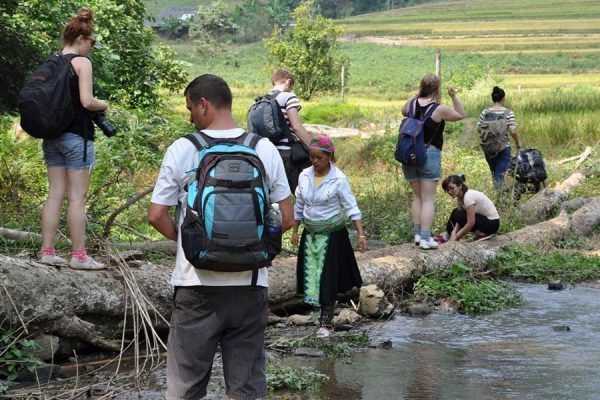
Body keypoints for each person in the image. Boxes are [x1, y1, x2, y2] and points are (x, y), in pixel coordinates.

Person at [148, 74, 294, 400]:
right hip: (250, 288)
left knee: (185, 389)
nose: (189, 116)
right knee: (247, 390)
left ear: (203, 105)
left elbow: (156, 215)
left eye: (189, 108)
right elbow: (287, 217)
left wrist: (194, 244)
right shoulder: (263, 148)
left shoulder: (184, 148)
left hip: (196, 286)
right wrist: (251, 244)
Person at [39, 8, 108, 270]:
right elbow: (87, 101)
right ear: (81, 38)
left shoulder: (52, 62)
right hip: (77, 137)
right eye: (92, 42)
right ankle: (79, 256)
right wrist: (105, 104)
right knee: (77, 197)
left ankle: (47, 251)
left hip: (52, 136)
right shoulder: (82, 63)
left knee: (55, 194)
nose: (92, 46)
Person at [291, 134, 366, 338]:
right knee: (312, 275)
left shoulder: (339, 179)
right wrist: (295, 231)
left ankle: (326, 323)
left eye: (319, 158)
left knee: (328, 279)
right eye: (312, 157)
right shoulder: (304, 176)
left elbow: (351, 207)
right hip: (311, 234)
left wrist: (360, 234)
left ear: (330, 157)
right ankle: (320, 316)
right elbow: (299, 204)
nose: (315, 162)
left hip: (333, 235)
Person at [400, 74, 464, 250]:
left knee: (418, 197)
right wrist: (453, 96)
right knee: (428, 199)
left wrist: (415, 97)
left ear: (421, 86)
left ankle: (417, 234)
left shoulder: (412, 103)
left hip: (409, 156)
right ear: (437, 89)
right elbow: (460, 114)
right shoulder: (439, 109)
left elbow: (404, 111)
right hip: (429, 155)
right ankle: (426, 238)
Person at [266, 69, 312, 193]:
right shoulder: (288, 97)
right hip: (286, 154)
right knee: (302, 193)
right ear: (288, 82)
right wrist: (314, 147)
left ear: (273, 83)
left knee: (274, 195)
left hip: (267, 154)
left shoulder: (262, 100)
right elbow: (296, 126)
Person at [477, 86, 522, 190]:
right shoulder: (508, 113)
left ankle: (498, 196)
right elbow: (513, 130)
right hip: (503, 148)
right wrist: (518, 143)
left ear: (493, 99)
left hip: (488, 148)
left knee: (494, 174)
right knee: (499, 175)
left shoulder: (485, 112)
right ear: (503, 98)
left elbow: (478, 127)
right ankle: (499, 200)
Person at [435, 174, 500, 243]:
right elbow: (459, 218)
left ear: (460, 186)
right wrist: (454, 232)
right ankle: (446, 238)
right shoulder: (460, 197)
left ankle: (483, 233)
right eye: (447, 190)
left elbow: (470, 223)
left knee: (458, 214)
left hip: (492, 224)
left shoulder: (468, 198)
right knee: (455, 212)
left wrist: (456, 237)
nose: (450, 192)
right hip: (484, 220)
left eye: (452, 188)